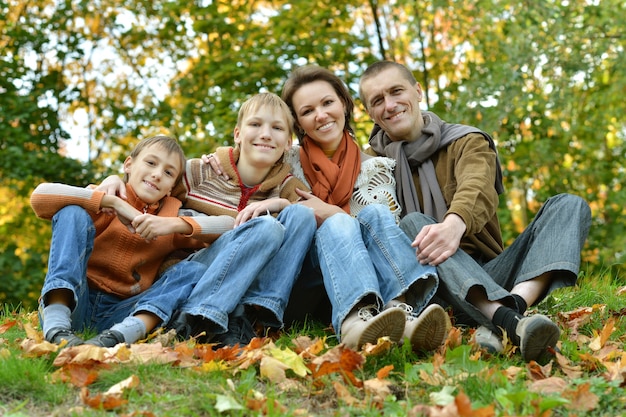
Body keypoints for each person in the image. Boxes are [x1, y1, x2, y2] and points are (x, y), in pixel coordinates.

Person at [358, 60, 591, 362]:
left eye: (396, 91)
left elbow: (478, 187)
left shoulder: (466, 140)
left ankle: (506, 314)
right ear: (369, 113)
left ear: (417, 91)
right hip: (428, 291)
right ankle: (509, 321)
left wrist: (455, 224)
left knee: (569, 204)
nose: (389, 105)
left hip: (490, 273)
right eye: (378, 100)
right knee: (415, 223)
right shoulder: (370, 167)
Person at [206, 66, 451, 353]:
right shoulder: (283, 160)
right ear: (297, 123)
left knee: (375, 215)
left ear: (344, 105)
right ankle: (353, 321)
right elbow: (245, 152)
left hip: (364, 276)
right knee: (339, 224)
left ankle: (402, 312)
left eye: (327, 103)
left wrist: (330, 211)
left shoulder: (378, 167)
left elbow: (382, 243)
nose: (321, 115)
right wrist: (219, 158)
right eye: (307, 111)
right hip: (301, 282)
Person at [97, 93, 317, 347]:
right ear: (237, 134)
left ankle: (251, 314)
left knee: (301, 214)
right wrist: (114, 180)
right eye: (255, 124)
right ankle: (193, 318)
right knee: (266, 227)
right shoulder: (200, 172)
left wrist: (278, 203)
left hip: (246, 285)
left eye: (277, 128)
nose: (266, 134)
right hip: (193, 275)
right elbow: (149, 184)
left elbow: (309, 226)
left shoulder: (290, 187)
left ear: (288, 143)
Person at [32, 135, 212, 348]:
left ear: (171, 187)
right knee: (73, 212)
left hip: (123, 312)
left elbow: (231, 227)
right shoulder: (103, 196)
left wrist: (176, 225)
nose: (156, 175)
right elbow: (39, 196)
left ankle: (119, 336)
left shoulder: (171, 216)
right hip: (76, 300)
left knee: (192, 270)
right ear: (129, 165)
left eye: (168, 172)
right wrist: (113, 202)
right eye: (151, 163)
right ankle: (57, 325)